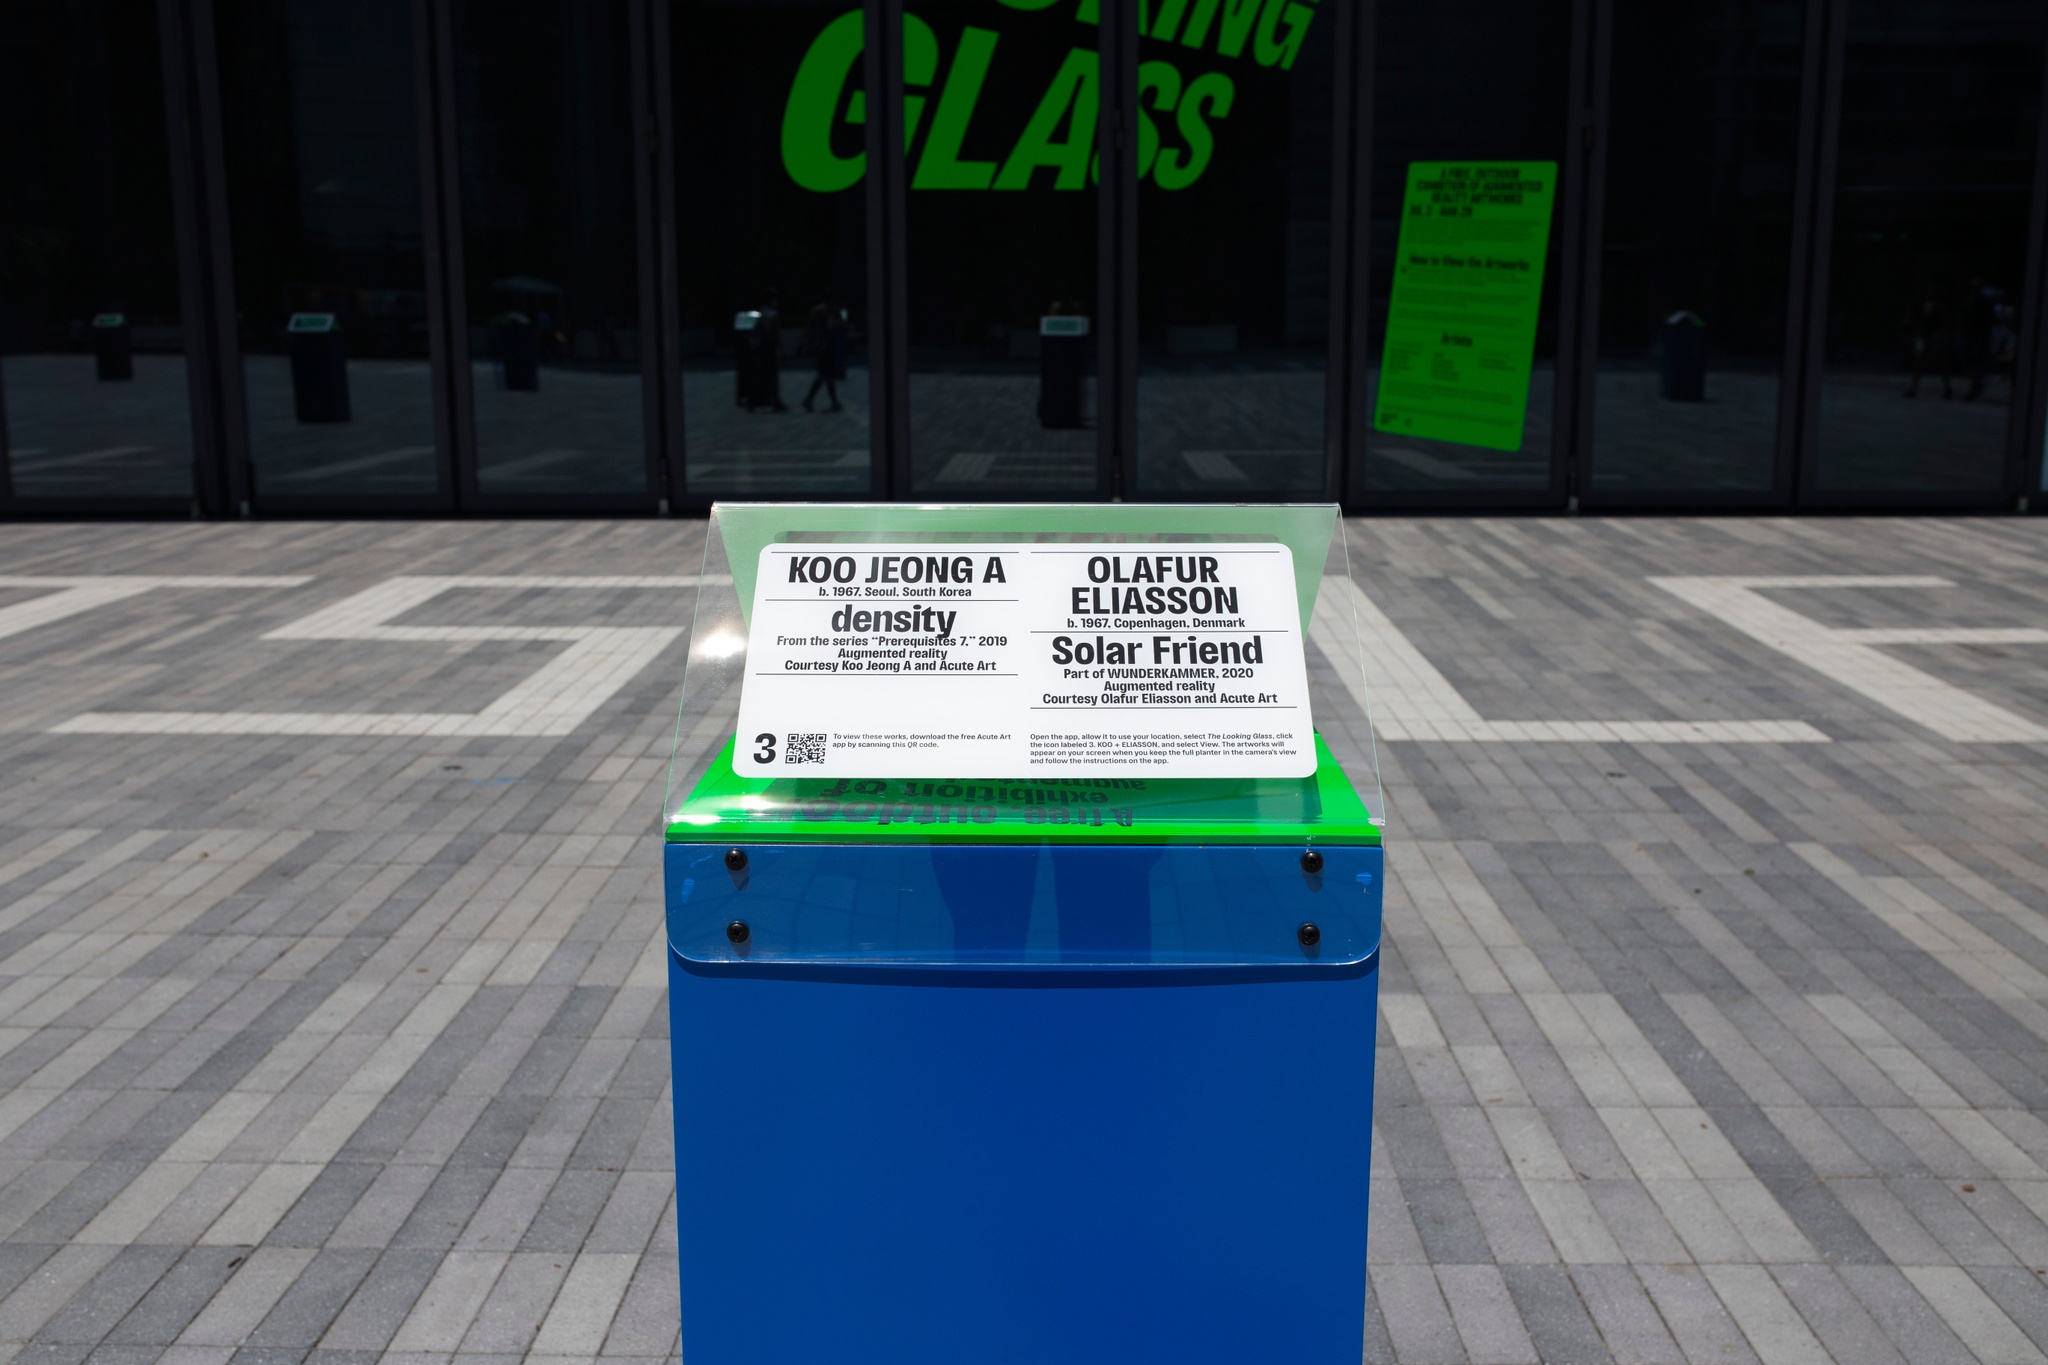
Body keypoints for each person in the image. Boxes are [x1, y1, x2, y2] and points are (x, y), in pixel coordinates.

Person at [800, 301, 849, 412]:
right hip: (827, 351)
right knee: (825, 376)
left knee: (824, 376)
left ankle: (814, 400)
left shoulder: (816, 318)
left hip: (821, 351)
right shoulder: (828, 318)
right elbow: (832, 332)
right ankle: (815, 400)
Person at [1903, 293, 1949, 400]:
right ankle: (1913, 388)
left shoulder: (1937, 311)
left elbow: (1942, 325)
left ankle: (1947, 388)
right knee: (1918, 364)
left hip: (1933, 339)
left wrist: (1937, 336)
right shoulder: (1921, 311)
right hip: (1924, 338)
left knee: (1940, 363)